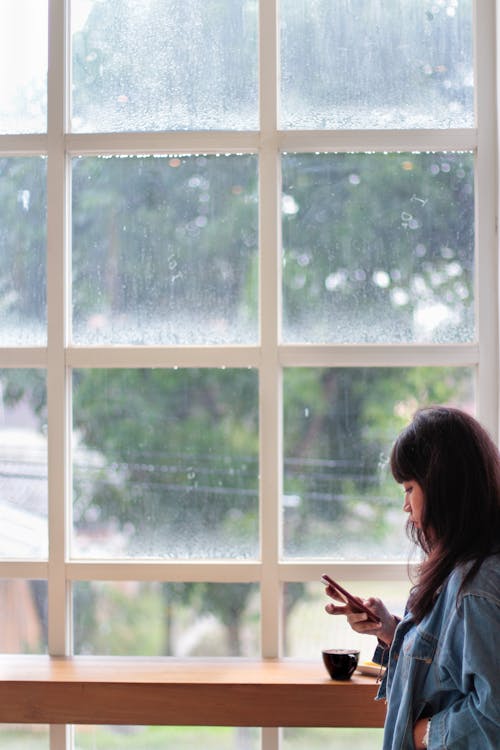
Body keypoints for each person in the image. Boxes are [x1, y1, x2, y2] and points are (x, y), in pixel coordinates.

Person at [324, 406, 500, 749]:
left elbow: (493, 716)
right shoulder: (462, 569)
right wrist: (391, 630)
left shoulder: (476, 588)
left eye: (408, 488)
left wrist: (423, 733)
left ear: (442, 487)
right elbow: (449, 669)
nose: (406, 505)